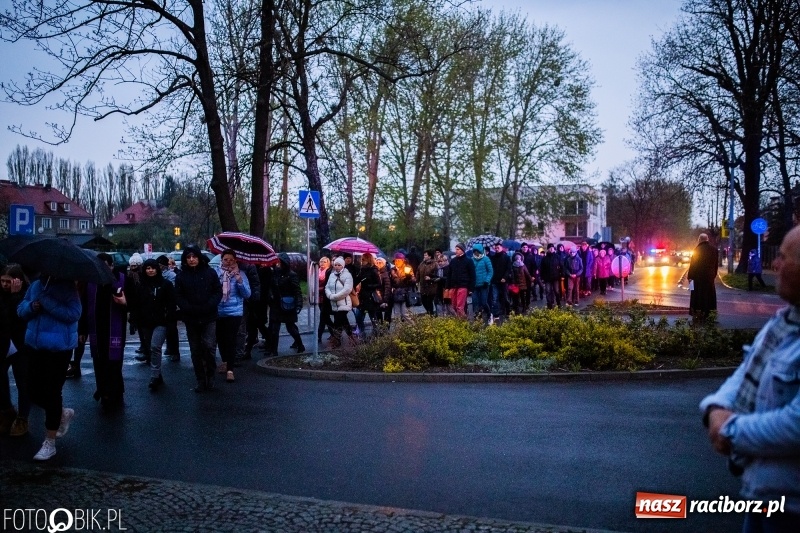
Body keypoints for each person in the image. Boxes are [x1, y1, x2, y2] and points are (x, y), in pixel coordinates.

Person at [699, 225, 800, 532]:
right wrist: (714, 407)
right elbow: (748, 370)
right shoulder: (782, 322)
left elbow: (795, 425)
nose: (774, 265)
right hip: (761, 494)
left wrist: (730, 430)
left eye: (784, 257)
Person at [17, 274, 82, 461]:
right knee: (32, 390)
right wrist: (32, 306)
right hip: (34, 346)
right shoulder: (36, 285)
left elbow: (74, 314)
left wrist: (46, 301)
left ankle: (50, 442)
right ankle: (61, 413)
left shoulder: (68, 287)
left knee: (52, 392)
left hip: (59, 349)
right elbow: (21, 310)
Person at [80, 253, 127, 411]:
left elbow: (135, 302)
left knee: (114, 363)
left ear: (112, 265)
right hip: (97, 328)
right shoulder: (90, 282)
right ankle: (104, 392)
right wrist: (83, 330)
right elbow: (84, 306)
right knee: (99, 362)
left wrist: (125, 302)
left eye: (106, 265)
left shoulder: (121, 278)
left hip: (115, 328)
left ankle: (115, 391)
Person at [174, 246, 222, 393]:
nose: (191, 260)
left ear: (199, 258)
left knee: (209, 347)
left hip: (208, 316)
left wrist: (209, 305)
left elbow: (217, 292)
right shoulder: (181, 276)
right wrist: (187, 307)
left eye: (194, 257)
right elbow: (179, 296)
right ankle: (200, 380)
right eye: (188, 257)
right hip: (191, 317)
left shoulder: (210, 273)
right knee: (195, 350)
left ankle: (211, 376)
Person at [131, 258, 177, 391]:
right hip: (145, 321)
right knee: (150, 348)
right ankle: (158, 373)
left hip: (161, 321)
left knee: (155, 346)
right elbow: (136, 305)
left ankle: (154, 376)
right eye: (147, 268)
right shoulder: (141, 286)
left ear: (157, 269)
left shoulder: (166, 284)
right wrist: (133, 321)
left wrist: (170, 319)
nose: (150, 270)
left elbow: (171, 304)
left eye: (153, 268)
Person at [1, 264, 31, 436]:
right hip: (4, 342)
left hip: (22, 343)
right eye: (3, 281)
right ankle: (6, 410)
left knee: (23, 382)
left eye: (8, 281)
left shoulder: (26, 293)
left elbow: (20, 316)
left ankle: (22, 418)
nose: (5, 285)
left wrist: (15, 296)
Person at [214, 250, 251, 383]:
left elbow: (247, 294)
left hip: (234, 312)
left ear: (235, 261)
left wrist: (239, 280)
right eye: (225, 259)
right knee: (221, 339)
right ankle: (225, 361)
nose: (228, 262)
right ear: (221, 260)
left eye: (231, 259)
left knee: (230, 340)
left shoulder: (241, 274)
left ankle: (230, 369)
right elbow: (212, 290)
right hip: (218, 311)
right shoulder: (216, 273)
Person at [265, 253, 305, 355]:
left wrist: (299, 304)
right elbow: (270, 286)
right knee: (274, 329)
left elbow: (297, 290)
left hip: (288, 305)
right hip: (276, 305)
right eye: (276, 262)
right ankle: (274, 351)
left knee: (291, 327)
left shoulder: (291, 275)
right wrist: (270, 295)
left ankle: (300, 345)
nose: (277, 264)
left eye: (279, 262)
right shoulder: (274, 273)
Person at [324, 256, 355, 346]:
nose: (337, 266)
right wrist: (330, 295)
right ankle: (352, 338)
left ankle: (336, 341)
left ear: (343, 266)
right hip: (334, 303)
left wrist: (334, 296)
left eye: (339, 265)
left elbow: (347, 290)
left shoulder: (347, 275)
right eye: (335, 265)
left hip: (344, 304)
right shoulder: (332, 275)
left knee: (337, 322)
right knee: (344, 322)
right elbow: (327, 287)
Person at [688, 233, 718, 320]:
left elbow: (693, 265)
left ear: (699, 240)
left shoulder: (697, 250)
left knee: (698, 295)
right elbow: (715, 265)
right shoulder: (714, 249)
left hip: (698, 277)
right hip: (709, 277)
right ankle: (710, 313)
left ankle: (698, 312)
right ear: (707, 239)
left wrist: (690, 277)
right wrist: (713, 275)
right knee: (709, 295)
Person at [157, 254, 181, 361]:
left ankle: (175, 351)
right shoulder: (158, 275)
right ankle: (169, 348)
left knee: (172, 329)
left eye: (160, 265)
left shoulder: (171, 275)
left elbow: (173, 290)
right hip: (161, 306)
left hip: (170, 306)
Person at [354, 253, 382, 337]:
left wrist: (369, 286)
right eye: (361, 260)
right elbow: (357, 280)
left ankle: (376, 333)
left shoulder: (373, 270)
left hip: (370, 297)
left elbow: (379, 284)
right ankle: (362, 333)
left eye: (363, 260)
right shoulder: (362, 269)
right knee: (358, 316)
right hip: (362, 296)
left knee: (372, 316)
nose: (362, 262)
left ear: (368, 260)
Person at [446, 243, 475, 318]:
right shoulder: (453, 261)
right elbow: (449, 274)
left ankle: (462, 323)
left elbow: (472, 275)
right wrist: (447, 286)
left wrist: (471, 288)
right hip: (453, 286)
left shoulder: (468, 261)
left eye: (458, 249)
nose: (456, 251)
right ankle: (459, 321)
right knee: (454, 306)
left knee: (460, 306)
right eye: (456, 249)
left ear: (462, 250)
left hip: (463, 285)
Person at [390, 252, 417, 322]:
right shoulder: (393, 270)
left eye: (399, 260)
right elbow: (392, 281)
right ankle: (398, 331)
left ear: (403, 261)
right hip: (396, 293)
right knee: (396, 314)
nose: (397, 262)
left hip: (405, 293)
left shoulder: (407, 268)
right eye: (395, 261)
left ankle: (413, 329)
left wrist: (409, 278)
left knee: (405, 314)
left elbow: (413, 280)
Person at [471, 244, 493, 323]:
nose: (476, 253)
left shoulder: (486, 259)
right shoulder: (472, 260)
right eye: (474, 251)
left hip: (484, 284)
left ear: (480, 251)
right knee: (475, 302)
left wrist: (487, 281)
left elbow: (490, 271)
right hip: (475, 285)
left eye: (477, 251)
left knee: (484, 302)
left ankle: (489, 314)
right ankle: (477, 317)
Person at [489, 242, 511, 321]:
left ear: (501, 248)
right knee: (495, 298)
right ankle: (496, 314)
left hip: (503, 281)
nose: (497, 249)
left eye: (498, 247)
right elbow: (491, 269)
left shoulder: (506, 258)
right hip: (495, 281)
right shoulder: (493, 258)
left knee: (505, 297)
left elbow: (508, 269)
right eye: (496, 248)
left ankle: (508, 312)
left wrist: (505, 277)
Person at [316, 256, 335, 343]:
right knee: (324, 317)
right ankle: (334, 334)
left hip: (325, 297)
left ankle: (319, 336)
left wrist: (318, 288)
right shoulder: (317, 271)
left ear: (328, 263)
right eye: (321, 262)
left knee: (324, 317)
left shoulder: (329, 272)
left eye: (324, 262)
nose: (322, 263)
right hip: (318, 297)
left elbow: (328, 285)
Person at [540, 244, 563, 309]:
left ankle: (558, 303)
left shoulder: (557, 257)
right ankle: (549, 304)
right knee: (548, 291)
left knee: (556, 291)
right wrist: (542, 278)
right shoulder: (544, 258)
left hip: (556, 277)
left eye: (552, 248)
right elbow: (542, 268)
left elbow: (561, 266)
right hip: (547, 278)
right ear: (548, 249)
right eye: (550, 248)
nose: (551, 249)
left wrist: (562, 275)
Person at [416, 250, 438, 316]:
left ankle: (431, 314)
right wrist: (417, 281)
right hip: (423, 286)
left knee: (429, 301)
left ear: (430, 256)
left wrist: (430, 278)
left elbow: (436, 275)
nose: (424, 256)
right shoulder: (422, 263)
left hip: (431, 286)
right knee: (423, 301)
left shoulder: (434, 264)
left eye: (425, 255)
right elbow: (418, 272)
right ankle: (429, 313)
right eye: (424, 255)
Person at [373, 256, 393, 327]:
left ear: (384, 264)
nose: (378, 264)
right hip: (377, 297)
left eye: (380, 262)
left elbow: (388, 287)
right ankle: (380, 329)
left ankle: (386, 330)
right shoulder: (375, 272)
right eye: (377, 262)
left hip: (385, 297)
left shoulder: (385, 273)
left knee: (387, 315)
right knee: (378, 314)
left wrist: (385, 300)